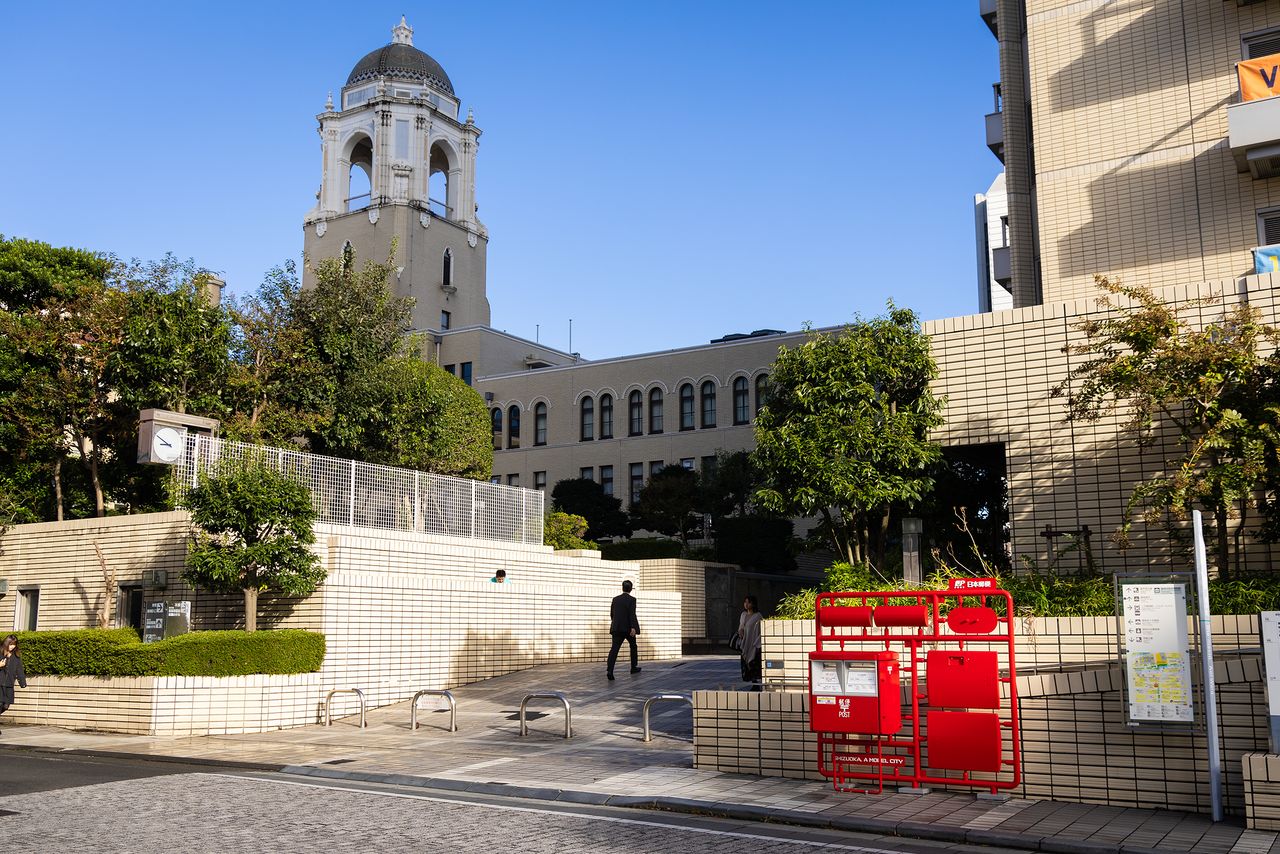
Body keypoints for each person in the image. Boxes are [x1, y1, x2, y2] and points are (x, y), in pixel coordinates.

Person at [606, 579, 641, 680]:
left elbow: (612, 614)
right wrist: (633, 627)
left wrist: (616, 623)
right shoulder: (632, 599)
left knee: (614, 649)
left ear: (622, 588)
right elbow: (632, 614)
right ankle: (633, 667)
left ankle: (610, 670)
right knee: (633, 646)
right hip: (628, 629)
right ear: (631, 589)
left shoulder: (615, 599)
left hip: (616, 628)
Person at [0, 634, 27, 731]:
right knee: (0, 704)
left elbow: (19, 670)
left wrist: (22, 682)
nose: (12, 646)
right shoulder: (1, 653)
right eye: (10, 644)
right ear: (6, 643)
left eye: (14, 645)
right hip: (0, 683)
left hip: (9, 684)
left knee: (6, 706)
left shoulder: (16, 656)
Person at [738, 596, 763, 690]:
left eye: (748, 602)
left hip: (753, 643)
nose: (746, 604)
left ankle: (756, 684)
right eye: (745, 602)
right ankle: (753, 683)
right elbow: (741, 626)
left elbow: (760, 630)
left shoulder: (758, 616)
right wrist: (740, 630)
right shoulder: (743, 615)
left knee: (753, 663)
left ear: (753, 604)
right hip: (745, 642)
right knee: (746, 664)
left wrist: (757, 643)